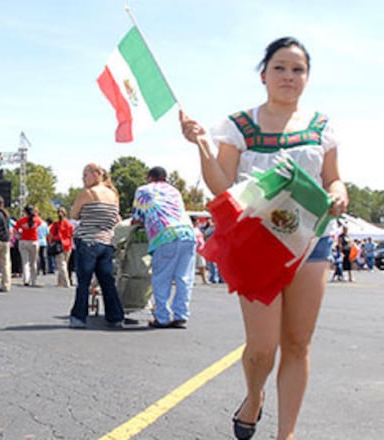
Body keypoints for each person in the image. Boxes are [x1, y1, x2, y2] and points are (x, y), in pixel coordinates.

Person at [180, 37, 348, 440]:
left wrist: (339, 192)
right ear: (264, 75)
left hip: (310, 242)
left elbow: (333, 177)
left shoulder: (321, 127)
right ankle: (253, 397)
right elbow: (221, 186)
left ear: (307, 77)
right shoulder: (238, 126)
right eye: (280, 67)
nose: (289, 76)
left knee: (297, 343)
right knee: (262, 348)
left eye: (298, 69)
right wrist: (203, 147)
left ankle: (285, 434)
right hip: (256, 244)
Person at [68, 163, 133, 329]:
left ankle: (79, 317)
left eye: (85, 175)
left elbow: (73, 214)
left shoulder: (88, 193)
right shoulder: (113, 194)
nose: (83, 179)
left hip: (88, 240)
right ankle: (115, 317)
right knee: (107, 281)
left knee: (84, 281)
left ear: (96, 174)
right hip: (107, 241)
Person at [132, 166, 197, 329]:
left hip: (165, 235)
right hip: (188, 233)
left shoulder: (143, 190)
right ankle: (181, 315)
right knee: (184, 278)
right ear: (165, 178)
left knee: (162, 277)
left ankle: (161, 316)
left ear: (149, 177)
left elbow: (137, 217)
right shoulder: (175, 191)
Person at [13, 205, 43, 287]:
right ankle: (34, 280)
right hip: (34, 241)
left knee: (25, 261)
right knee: (33, 262)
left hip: (24, 241)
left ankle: (26, 279)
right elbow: (41, 225)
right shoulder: (37, 220)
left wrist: (18, 237)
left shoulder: (21, 220)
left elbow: (15, 230)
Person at [49, 206, 75, 288]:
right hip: (68, 245)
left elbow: (50, 235)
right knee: (64, 264)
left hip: (59, 245)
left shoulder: (55, 224)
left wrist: (50, 242)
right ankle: (60, 282)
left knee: (61, 265)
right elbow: (72, 234)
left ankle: (66, 282)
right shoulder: (69, 224)